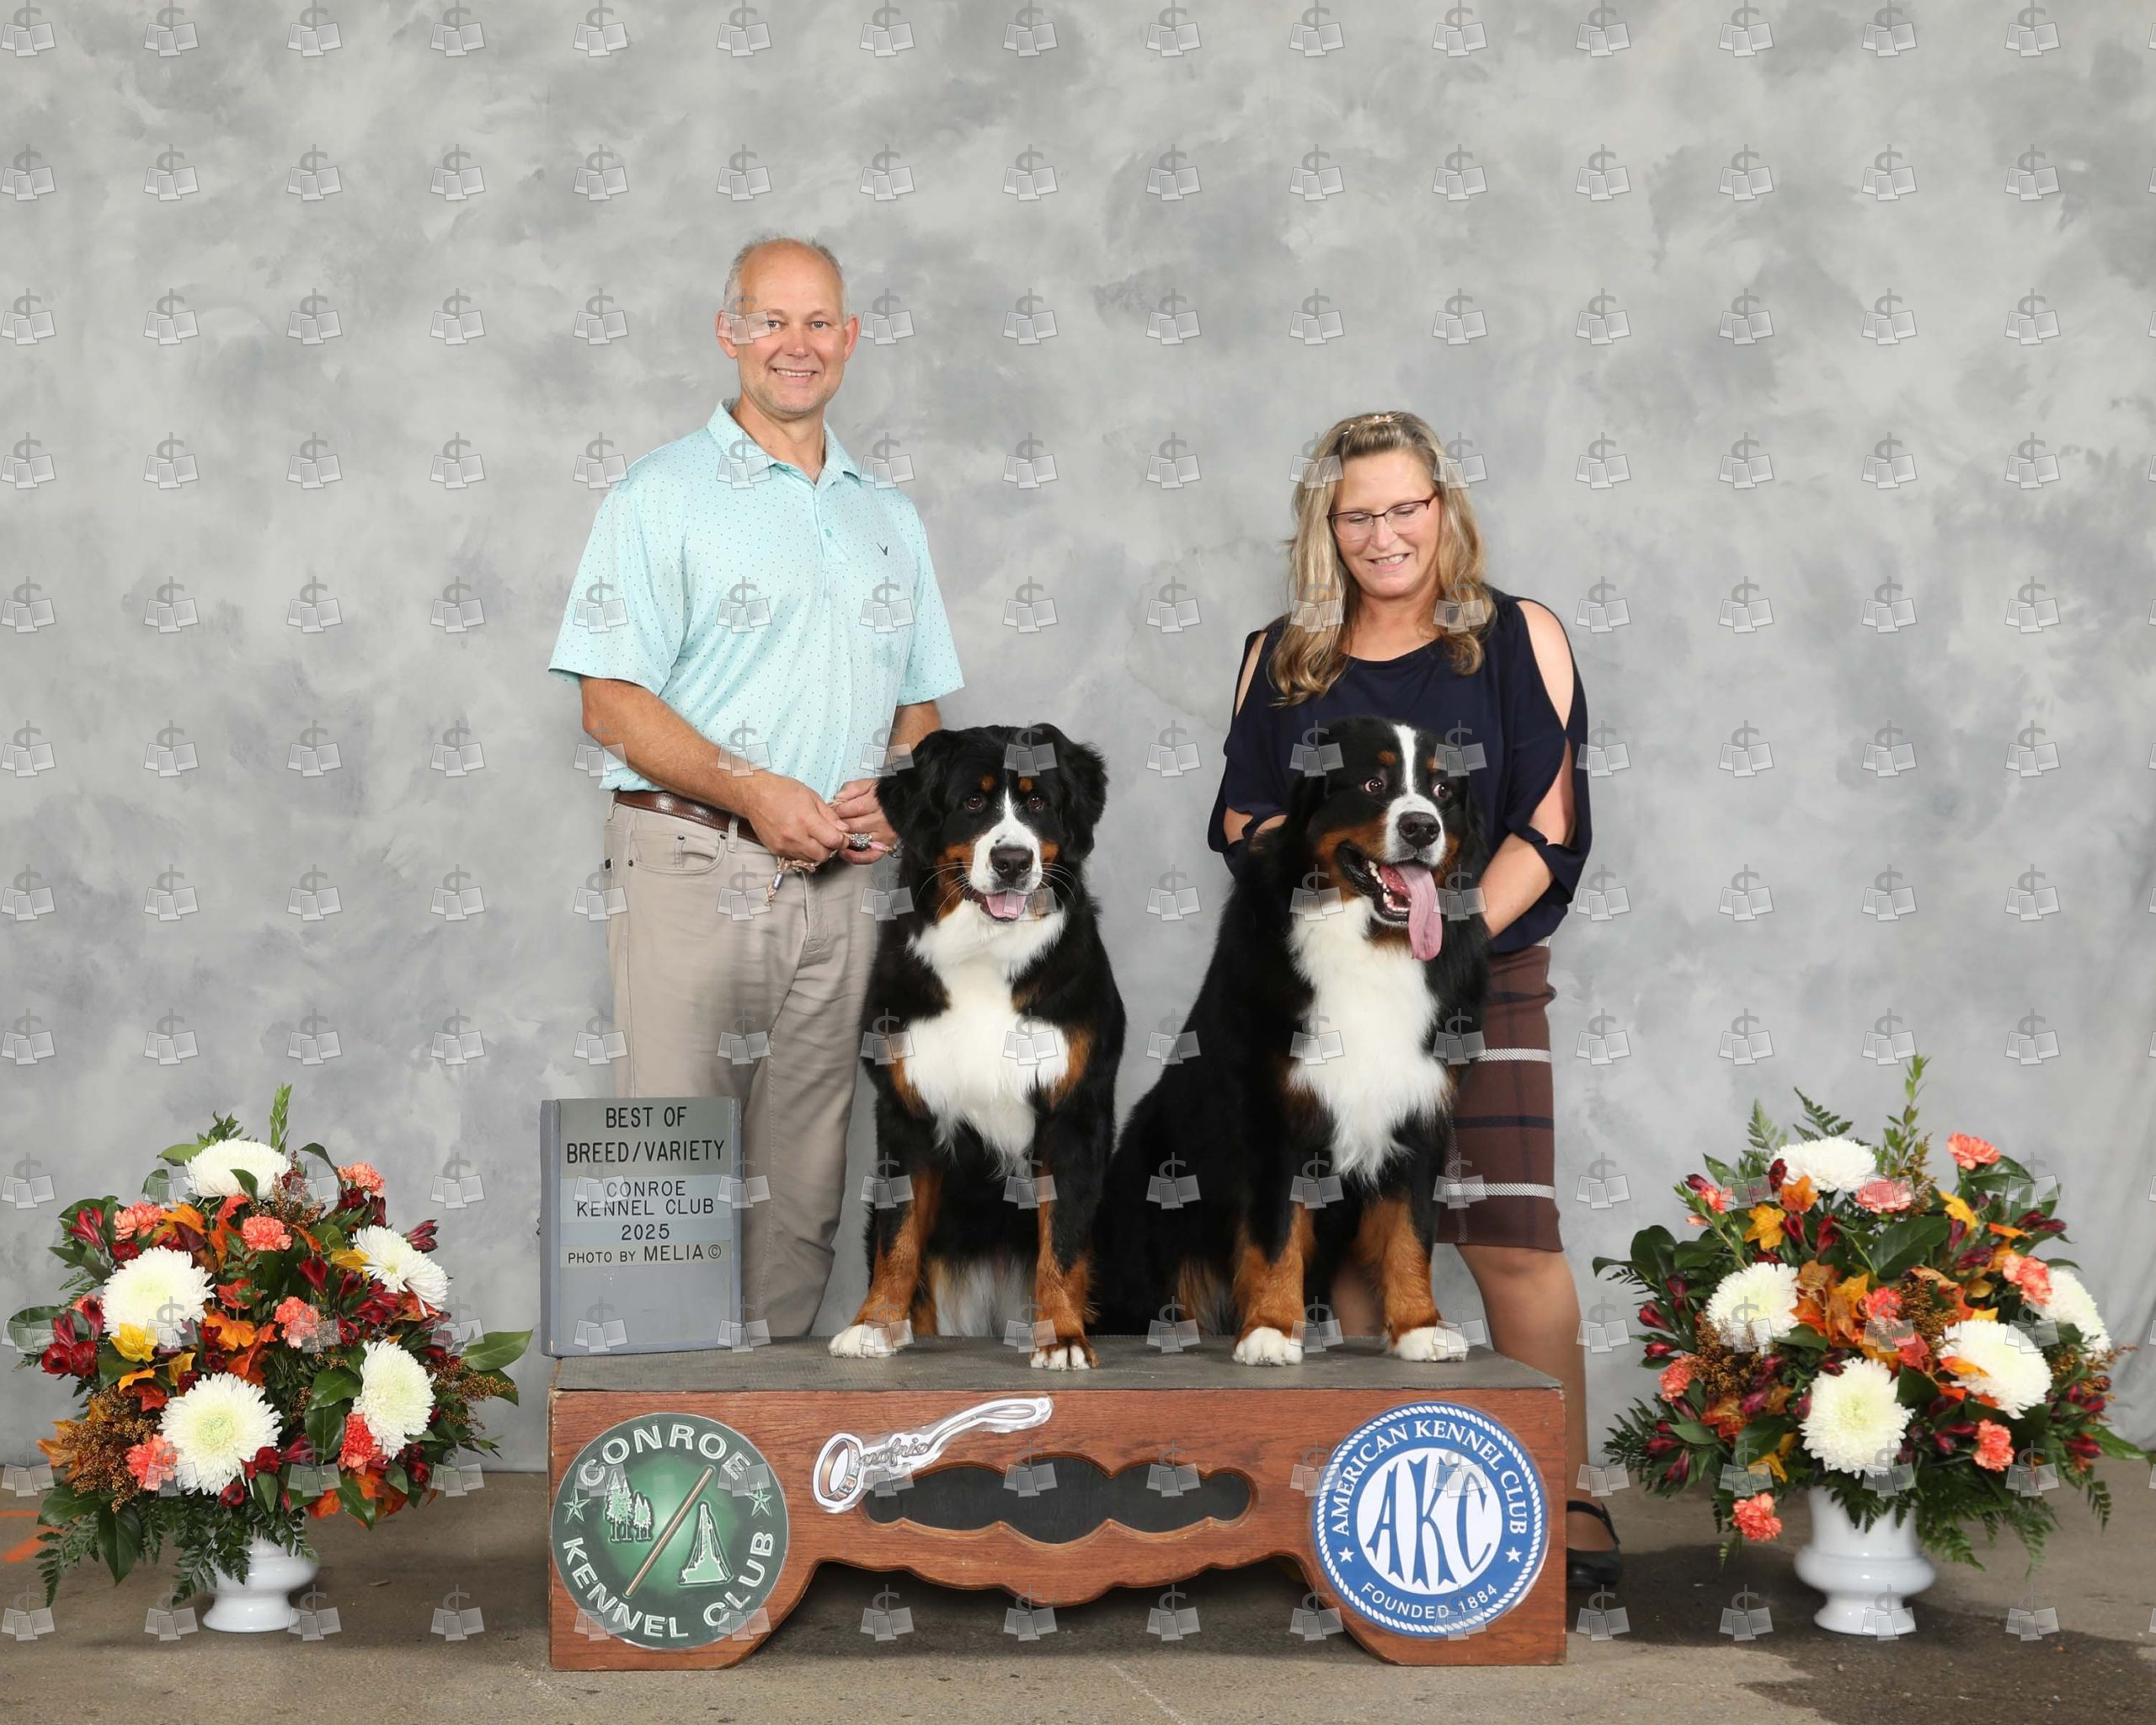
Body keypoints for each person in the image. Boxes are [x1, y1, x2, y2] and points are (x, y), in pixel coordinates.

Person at [1208, 409, 1618, 1586]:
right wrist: (1350, 899)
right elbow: (1240, 820)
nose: (1385, 535)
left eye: (1406, 508)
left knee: (1510, 1237)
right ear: (1324, 527)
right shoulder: (1282, 654)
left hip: (1477, 976)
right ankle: (1382, 1509)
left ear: (1445, 509)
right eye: (1358, 516)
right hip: (1327, 987)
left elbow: (1550, 819)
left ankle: (1565, 1498)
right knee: (1350, 1238)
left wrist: (1445, 939)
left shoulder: (1518, 634)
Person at [546, 235, 963, 1338]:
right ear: (729, 332)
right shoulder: (660, 494)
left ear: (851, 338)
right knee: (668, 1173)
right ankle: (660, 1424)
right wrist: (751, 789)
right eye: (770, 320)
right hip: (692, 862)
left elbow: (919, 712)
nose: (796, 344)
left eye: (818, 321)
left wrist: (900, 790)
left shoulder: (888, 517)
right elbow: (609, 702)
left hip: (841, 887)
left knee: (805, 1186)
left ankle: (764, 1421)